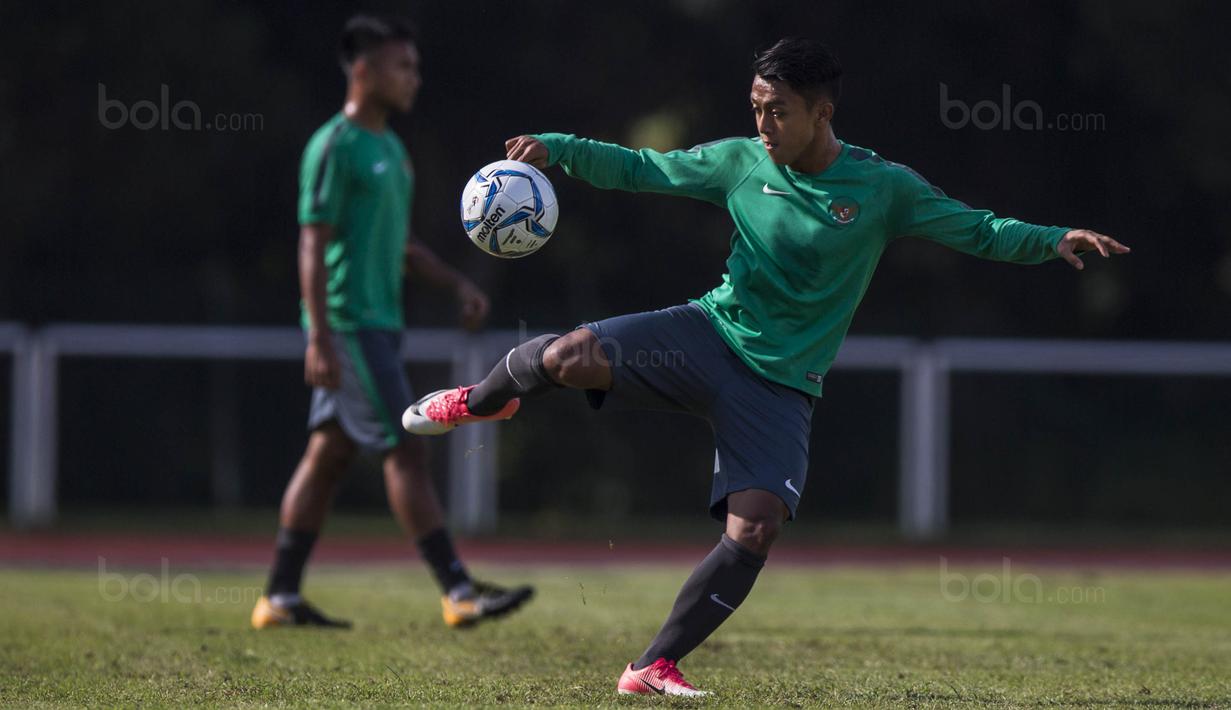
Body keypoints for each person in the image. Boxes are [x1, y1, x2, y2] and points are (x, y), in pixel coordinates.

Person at [403, 38, 1129, 694]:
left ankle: (651, 665)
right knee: (566, 354)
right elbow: (642, 167)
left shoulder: (882, 189)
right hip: (706, 337)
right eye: (755, 108)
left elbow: (974, 228)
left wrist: (1048, 239)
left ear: (821, 112)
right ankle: (480, 399)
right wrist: (557, 147)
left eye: (776, 111)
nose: (762, 125)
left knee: (754, 531)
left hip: (780, 385)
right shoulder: (741, 162)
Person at [251, 14, 532, 631]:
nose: (415, 78)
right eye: (402, 66)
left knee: (327, 457)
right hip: (350, 325)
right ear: (363, 70)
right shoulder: (335, 147)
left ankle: (278, 598)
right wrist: (320, 335)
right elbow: (310, 242)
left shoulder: (391, 150)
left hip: (376, 325)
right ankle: (458, 590)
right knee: (407, 445)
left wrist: (457, 282)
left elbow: (399, 245)